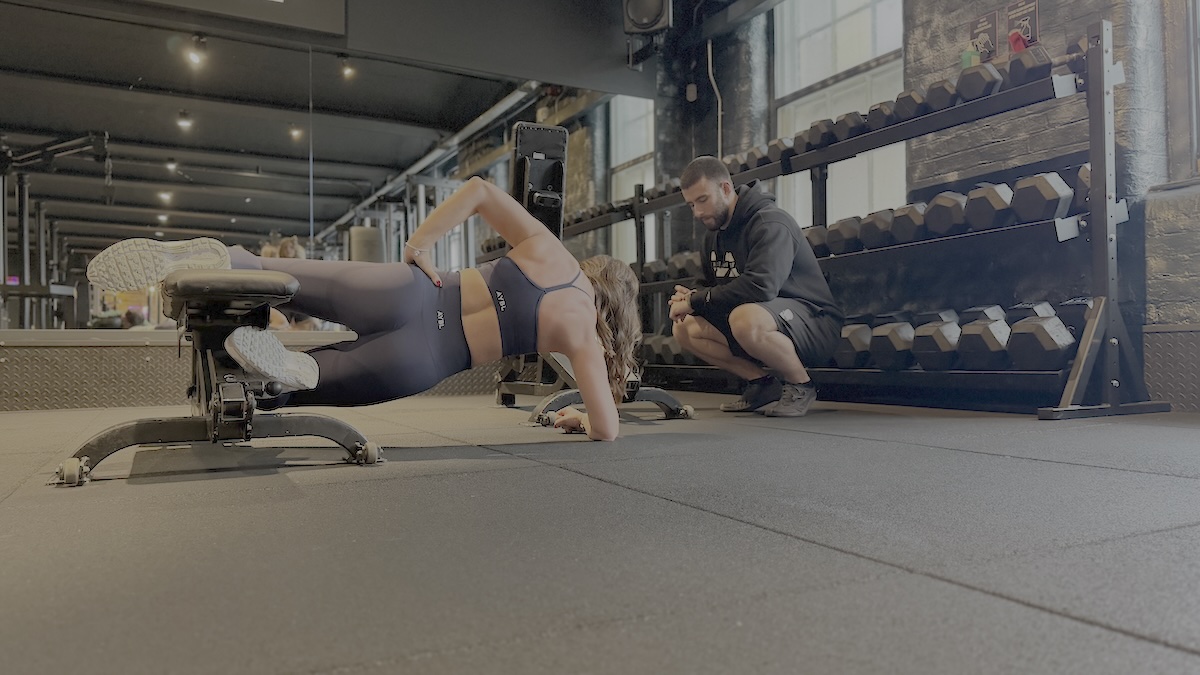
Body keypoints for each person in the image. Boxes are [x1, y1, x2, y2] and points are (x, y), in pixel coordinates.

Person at [86, 176, 641, 441]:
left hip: (413, 289)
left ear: (592, 269)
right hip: (424, 357)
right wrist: (585, 416)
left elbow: (479, 190)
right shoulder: (583, 338)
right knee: (307, 380)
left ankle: (220, 260)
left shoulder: (551, 250)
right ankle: (289, 373)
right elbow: (608, 430)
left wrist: (420, 244)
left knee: (273, 274)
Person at [668, 156, 843, 417]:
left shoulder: (769, 223)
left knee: (744, 318)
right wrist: (689, 298)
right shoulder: (712, 237)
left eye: (702, 200)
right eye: (691, 204)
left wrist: (697, 300)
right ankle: (761, 384)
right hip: (761, 321)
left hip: (814, 322)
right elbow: (707, 286)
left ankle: (801, 385)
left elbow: (761, 287)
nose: (697, 212)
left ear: (725, 189)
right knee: (684, 327)